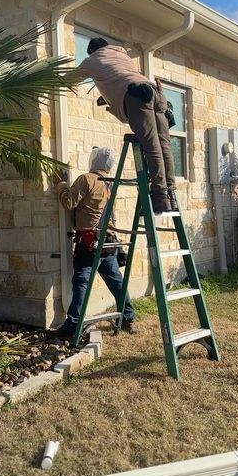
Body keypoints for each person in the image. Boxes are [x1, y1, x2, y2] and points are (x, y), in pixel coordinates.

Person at [75, 37, 177, 214]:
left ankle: (160, 197)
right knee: (164, 146)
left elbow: (69, 78)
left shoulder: (92, 60)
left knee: (152, 146)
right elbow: (121, 77)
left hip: (137, 96)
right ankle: (171, 195)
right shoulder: (121, 55)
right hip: (155, 93)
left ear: (91, 50)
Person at [48, 147, 136, 339]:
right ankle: (128, 317)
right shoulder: (110, 183)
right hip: (109, 242)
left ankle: (72, 326)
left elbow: (69, 202)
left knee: (81, 283)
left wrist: (61, 184)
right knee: (116, 282)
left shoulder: (86, 179)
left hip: (89, 243)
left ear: (94, 160)